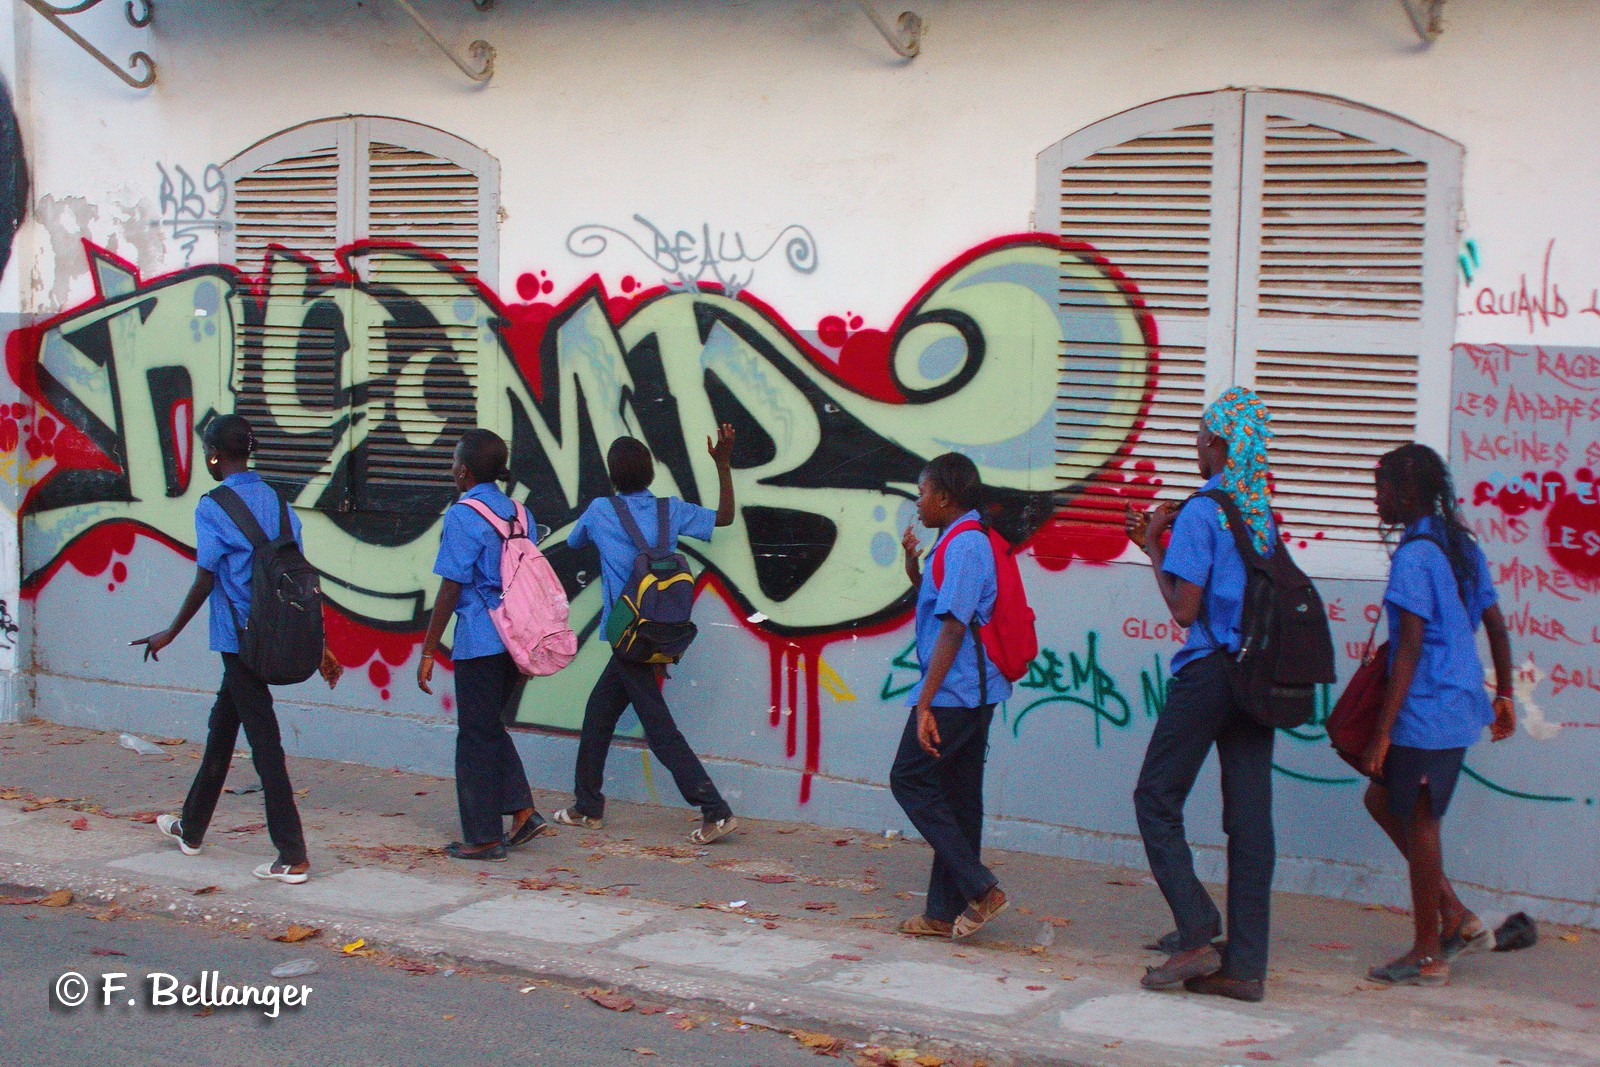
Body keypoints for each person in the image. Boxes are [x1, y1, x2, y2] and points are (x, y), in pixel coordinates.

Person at [134, 414, 342, 885]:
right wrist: (321, 642)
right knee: (221, 728)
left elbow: (206, 578)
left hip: (240, 640)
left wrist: (169, 632)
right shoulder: (281, 503)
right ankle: (191, 828)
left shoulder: (212, 507)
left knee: (264, 742)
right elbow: (298, 579)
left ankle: (292, 854)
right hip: (280, 633)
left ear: (213, 455)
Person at [1124, 386, 1278, 1002]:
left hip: (1211, 671)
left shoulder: (1201, 510)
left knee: (1155, 796)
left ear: (1217, 443)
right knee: (1249, 818)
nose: (1195, 447)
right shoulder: (1261, 510)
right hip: (1257, 674)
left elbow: (1186, 609)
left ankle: (1194, 929)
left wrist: (1155, 548)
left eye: (1198, 436)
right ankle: (1245, 965)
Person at [1361, 443, 1515, 986]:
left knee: (1421, 819)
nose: (1376, 498)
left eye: (1382, 487)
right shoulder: (1459, 545)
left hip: (1427, 708)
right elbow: (1496, 626)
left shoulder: (1415, 556)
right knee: (1381, 800)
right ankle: (1453, 913)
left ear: (1407, 492)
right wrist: (1506, 697)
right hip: (1456, 703)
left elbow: (1408, 650)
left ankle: (1428, 952)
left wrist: (1382, 732)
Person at [551, 428, 739, 844]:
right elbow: (724, 517)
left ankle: (716, 810)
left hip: (628, 635)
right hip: (659, 630)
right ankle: (587, 805)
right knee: (599, 713)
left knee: (658, 729)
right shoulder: (669, 510)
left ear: (611, 475)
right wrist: (722, 466)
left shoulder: (601, 511)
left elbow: (576, 539)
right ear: (652, 473)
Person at [890, 452, 1009, 941]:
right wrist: (913, 569)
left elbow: (955, 625)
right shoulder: (955, 543)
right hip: (968, 690)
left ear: (943, 497)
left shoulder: (964, 546)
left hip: (956, 693)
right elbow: (945, 604)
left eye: (921, 493)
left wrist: (924, 703)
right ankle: (943, 911)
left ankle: (980, 888)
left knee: (909, 779)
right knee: (959, 799)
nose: (917, 503)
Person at [418, 429, 552, 862]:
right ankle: (523, 812)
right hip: (516, 639)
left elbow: (451, 586)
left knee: (474, 737)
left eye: (455, 462)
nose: (451, 469)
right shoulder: (520, 513)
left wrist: (427, 649)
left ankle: (484, 837)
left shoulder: (462, 515)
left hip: (480, 639)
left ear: (466, 472)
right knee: (488, 727)